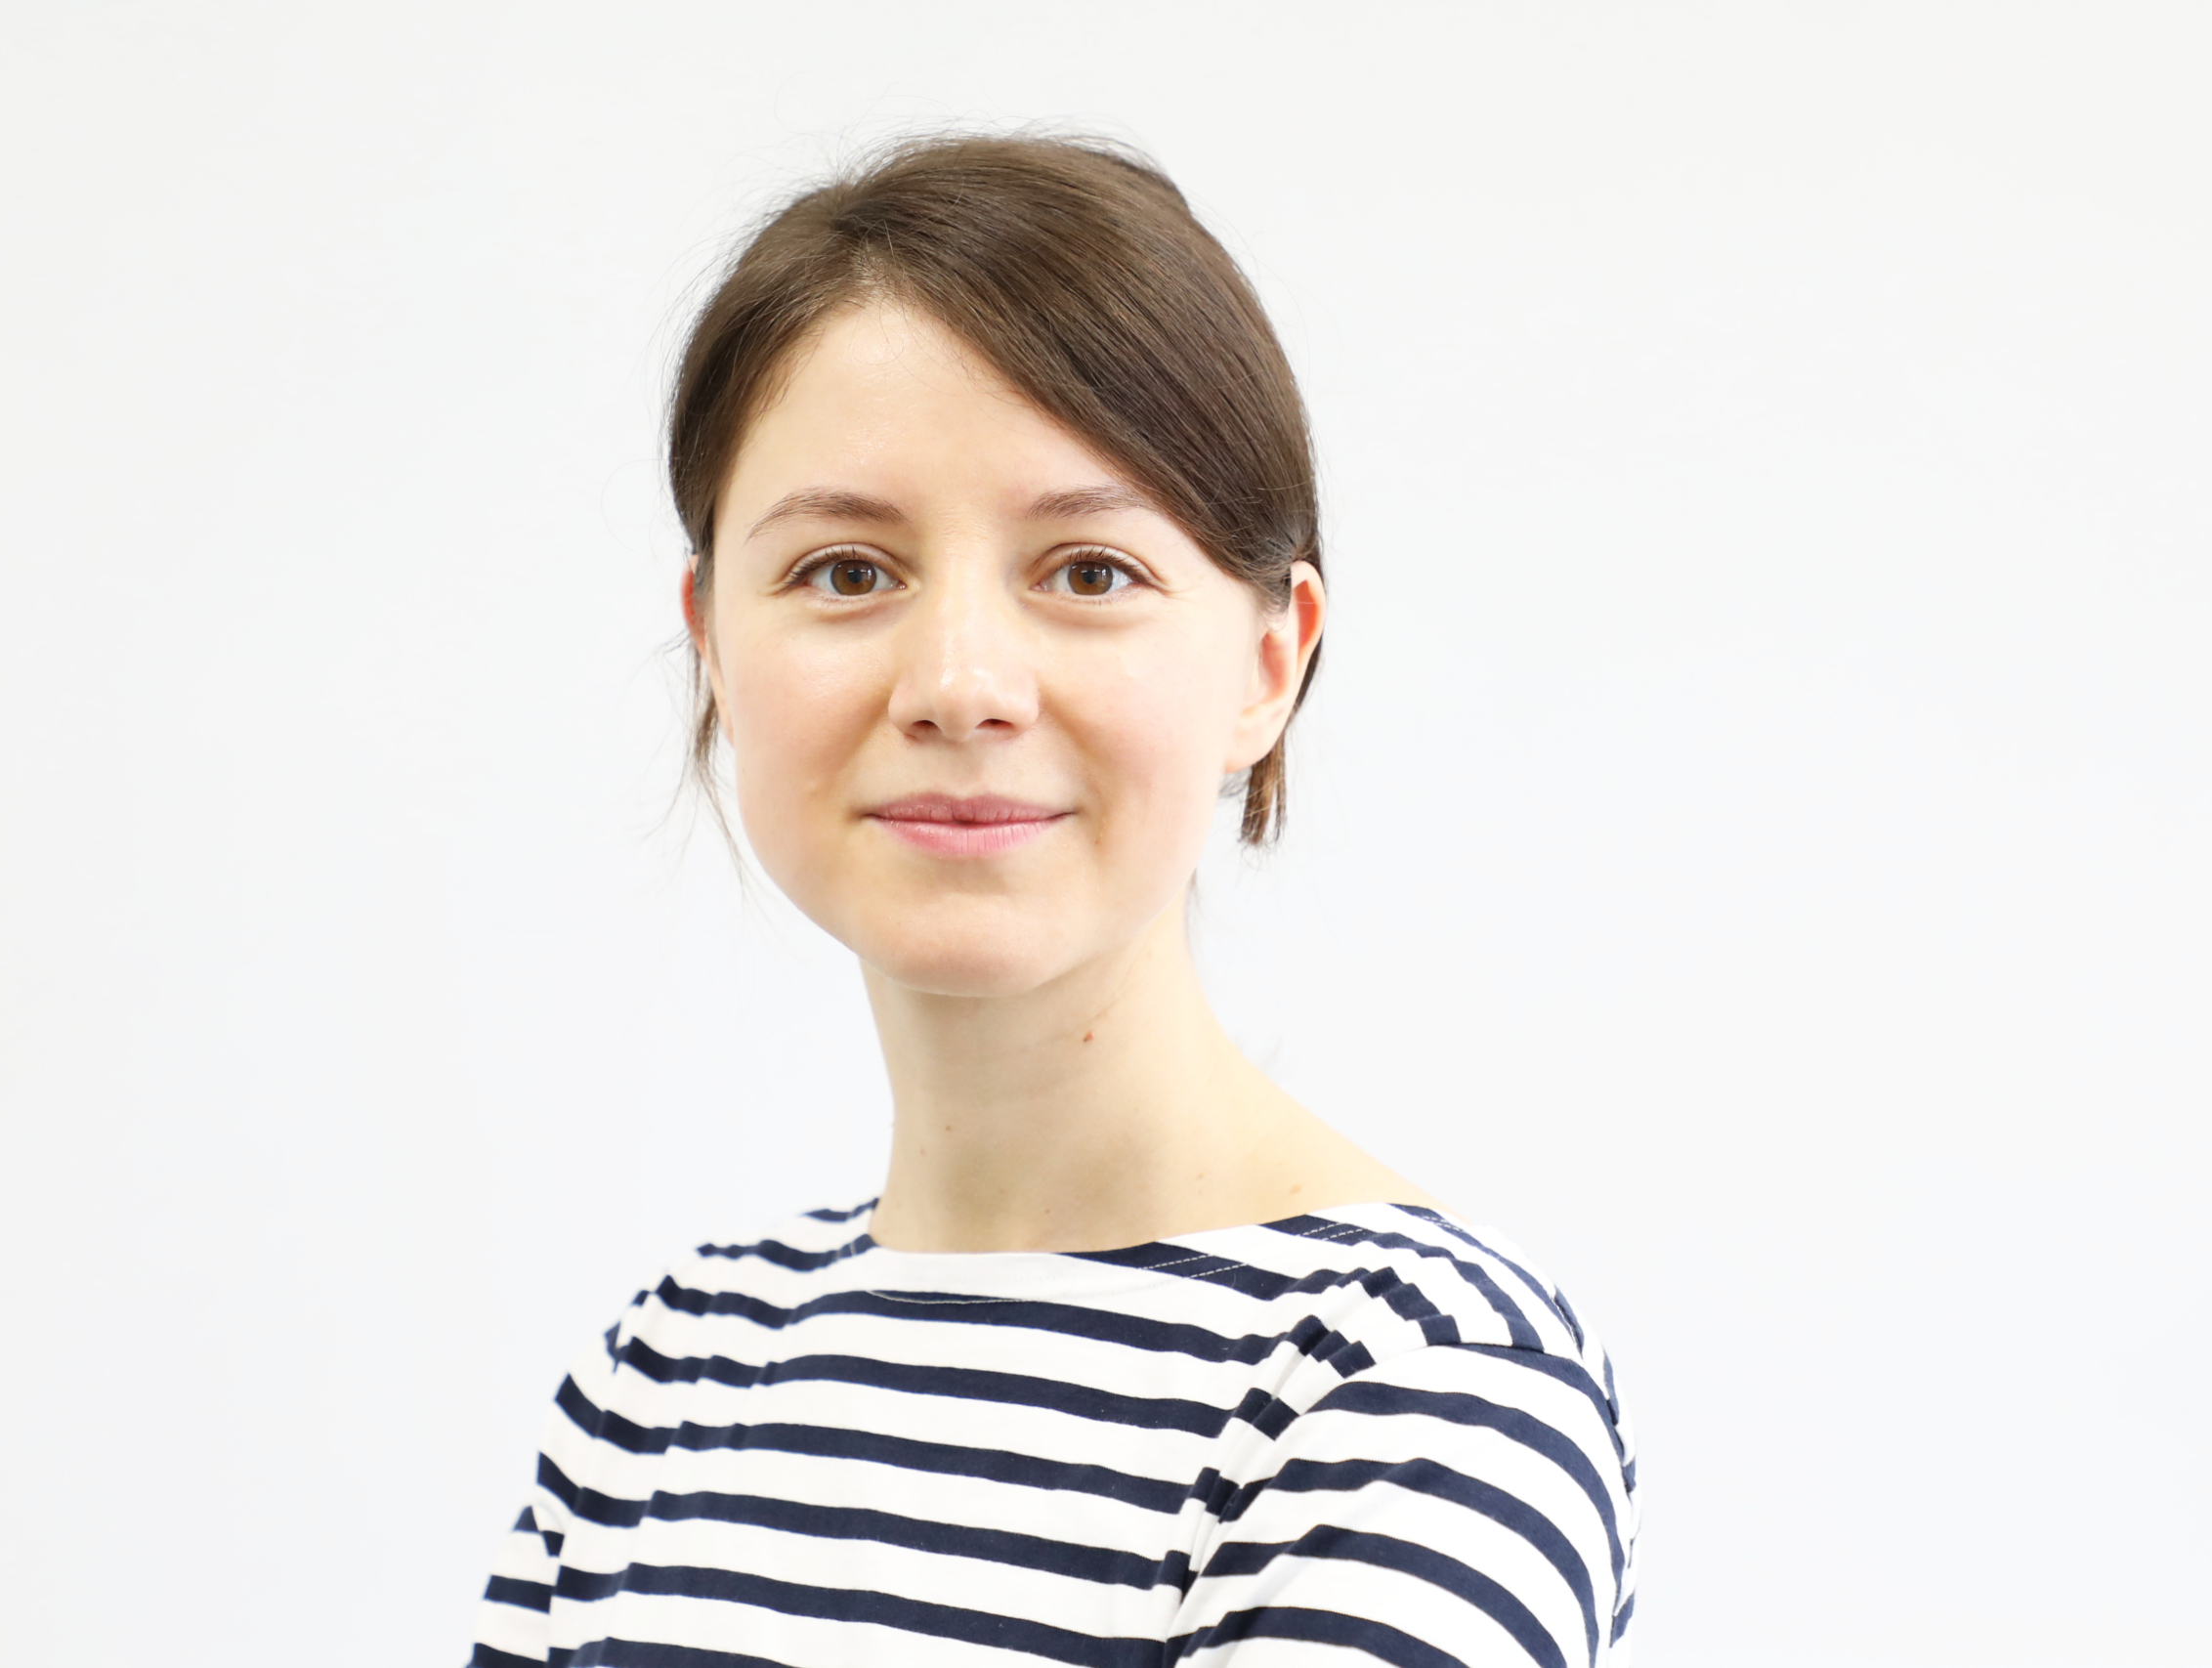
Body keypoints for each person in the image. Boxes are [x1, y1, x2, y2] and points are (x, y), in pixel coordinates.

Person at [471, 134, 1638, 1668]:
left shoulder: (1416, 1392)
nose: (959, 684)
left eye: (1088, 572)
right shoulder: (664, 1379)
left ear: (1269, 662)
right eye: (844, 571)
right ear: (714, 647)